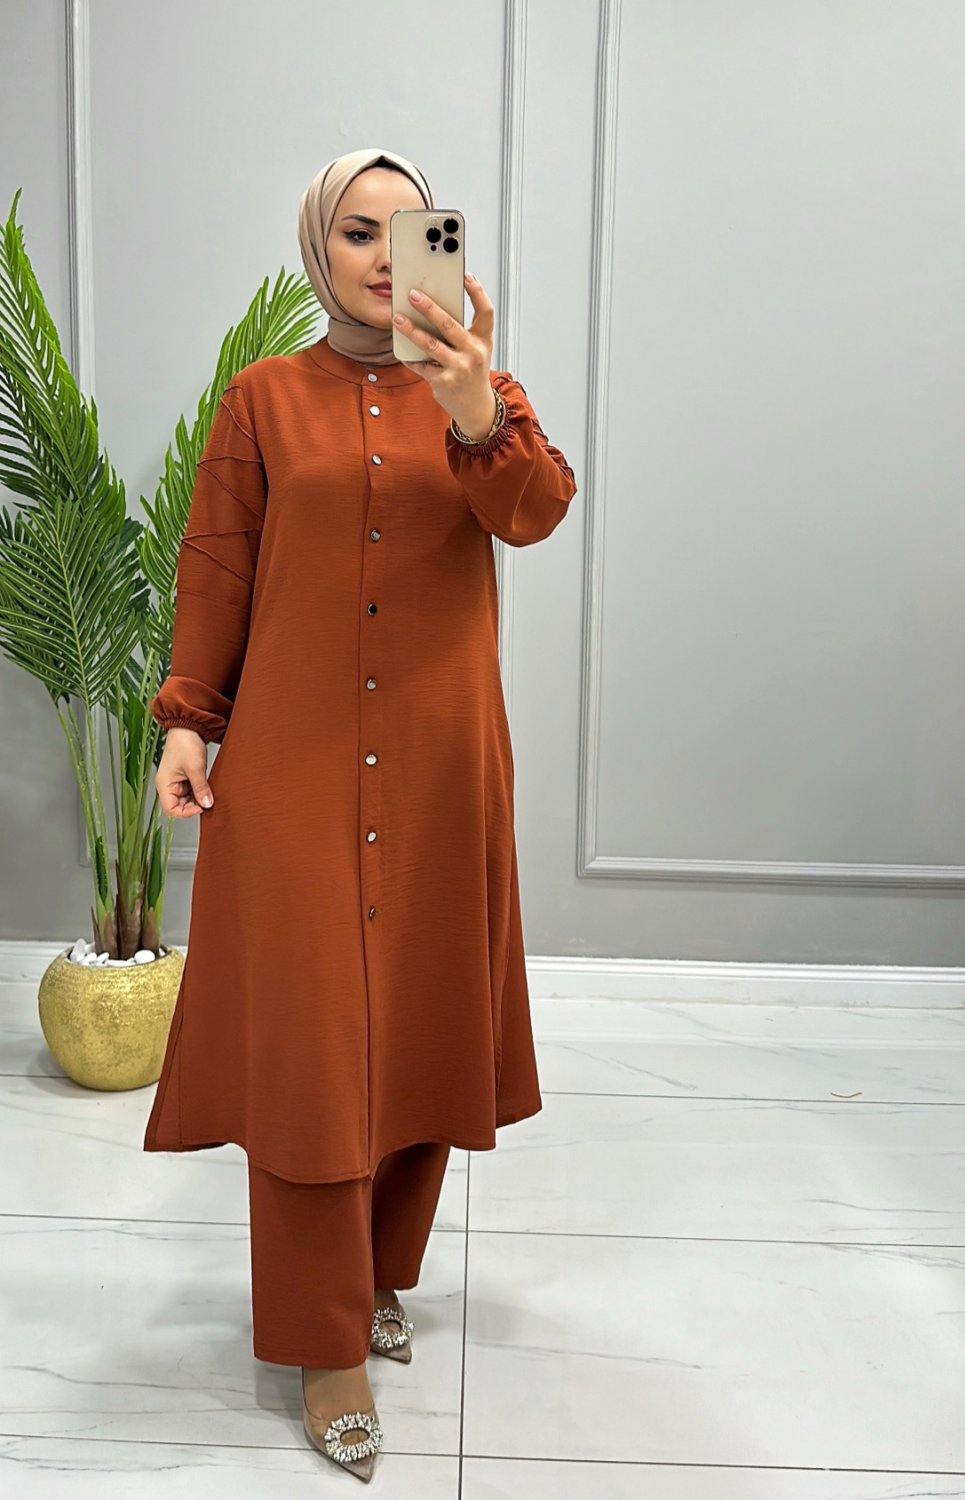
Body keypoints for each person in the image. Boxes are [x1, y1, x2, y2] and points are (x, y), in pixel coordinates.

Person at [146, 147, 578, 1480]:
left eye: (412, 227)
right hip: (295, 764)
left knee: (426, 1022)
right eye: (356, 231)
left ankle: (380, 1272)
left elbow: (536, 513)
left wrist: (473, 408)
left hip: (442, 765)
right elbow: (218, 562)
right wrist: (187, 716)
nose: (387, 255)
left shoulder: (483, 395)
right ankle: (323, 1339)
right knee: (311, 1051)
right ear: (314, 251)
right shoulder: (264, 400)